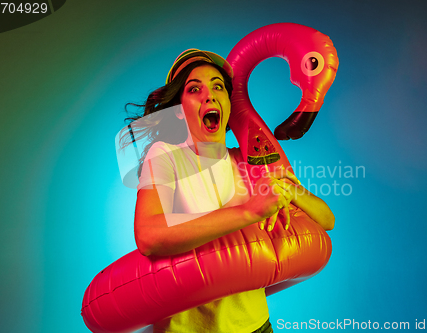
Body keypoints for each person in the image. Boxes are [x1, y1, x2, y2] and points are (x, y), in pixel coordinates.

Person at [126, 49, 335, 333]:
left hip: (256, 326)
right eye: (194, 89)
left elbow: (327, 220)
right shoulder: (164, 156)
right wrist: (251, 211)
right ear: (178, 110)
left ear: (228, 102)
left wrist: (289, 193)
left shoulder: (249, 161)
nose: (209, 95)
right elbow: (149, 237)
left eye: (218, 86)